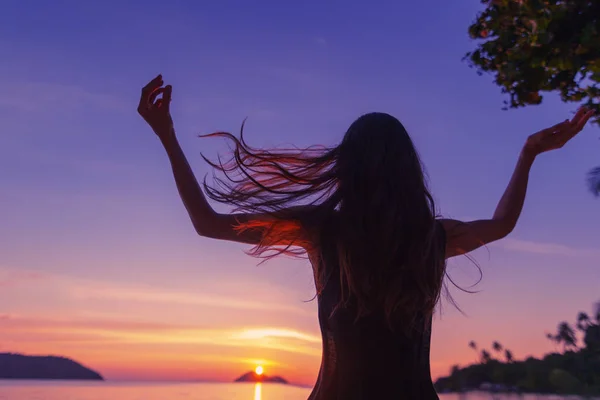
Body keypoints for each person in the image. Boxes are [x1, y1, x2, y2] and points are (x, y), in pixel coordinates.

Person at [137, 74, 595, 399]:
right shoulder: (428, 239)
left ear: (347, 168)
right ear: (408, 170)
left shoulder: (324, 231)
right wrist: (528, 154)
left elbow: (209, 224)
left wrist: (167, 137)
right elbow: (502, 225)